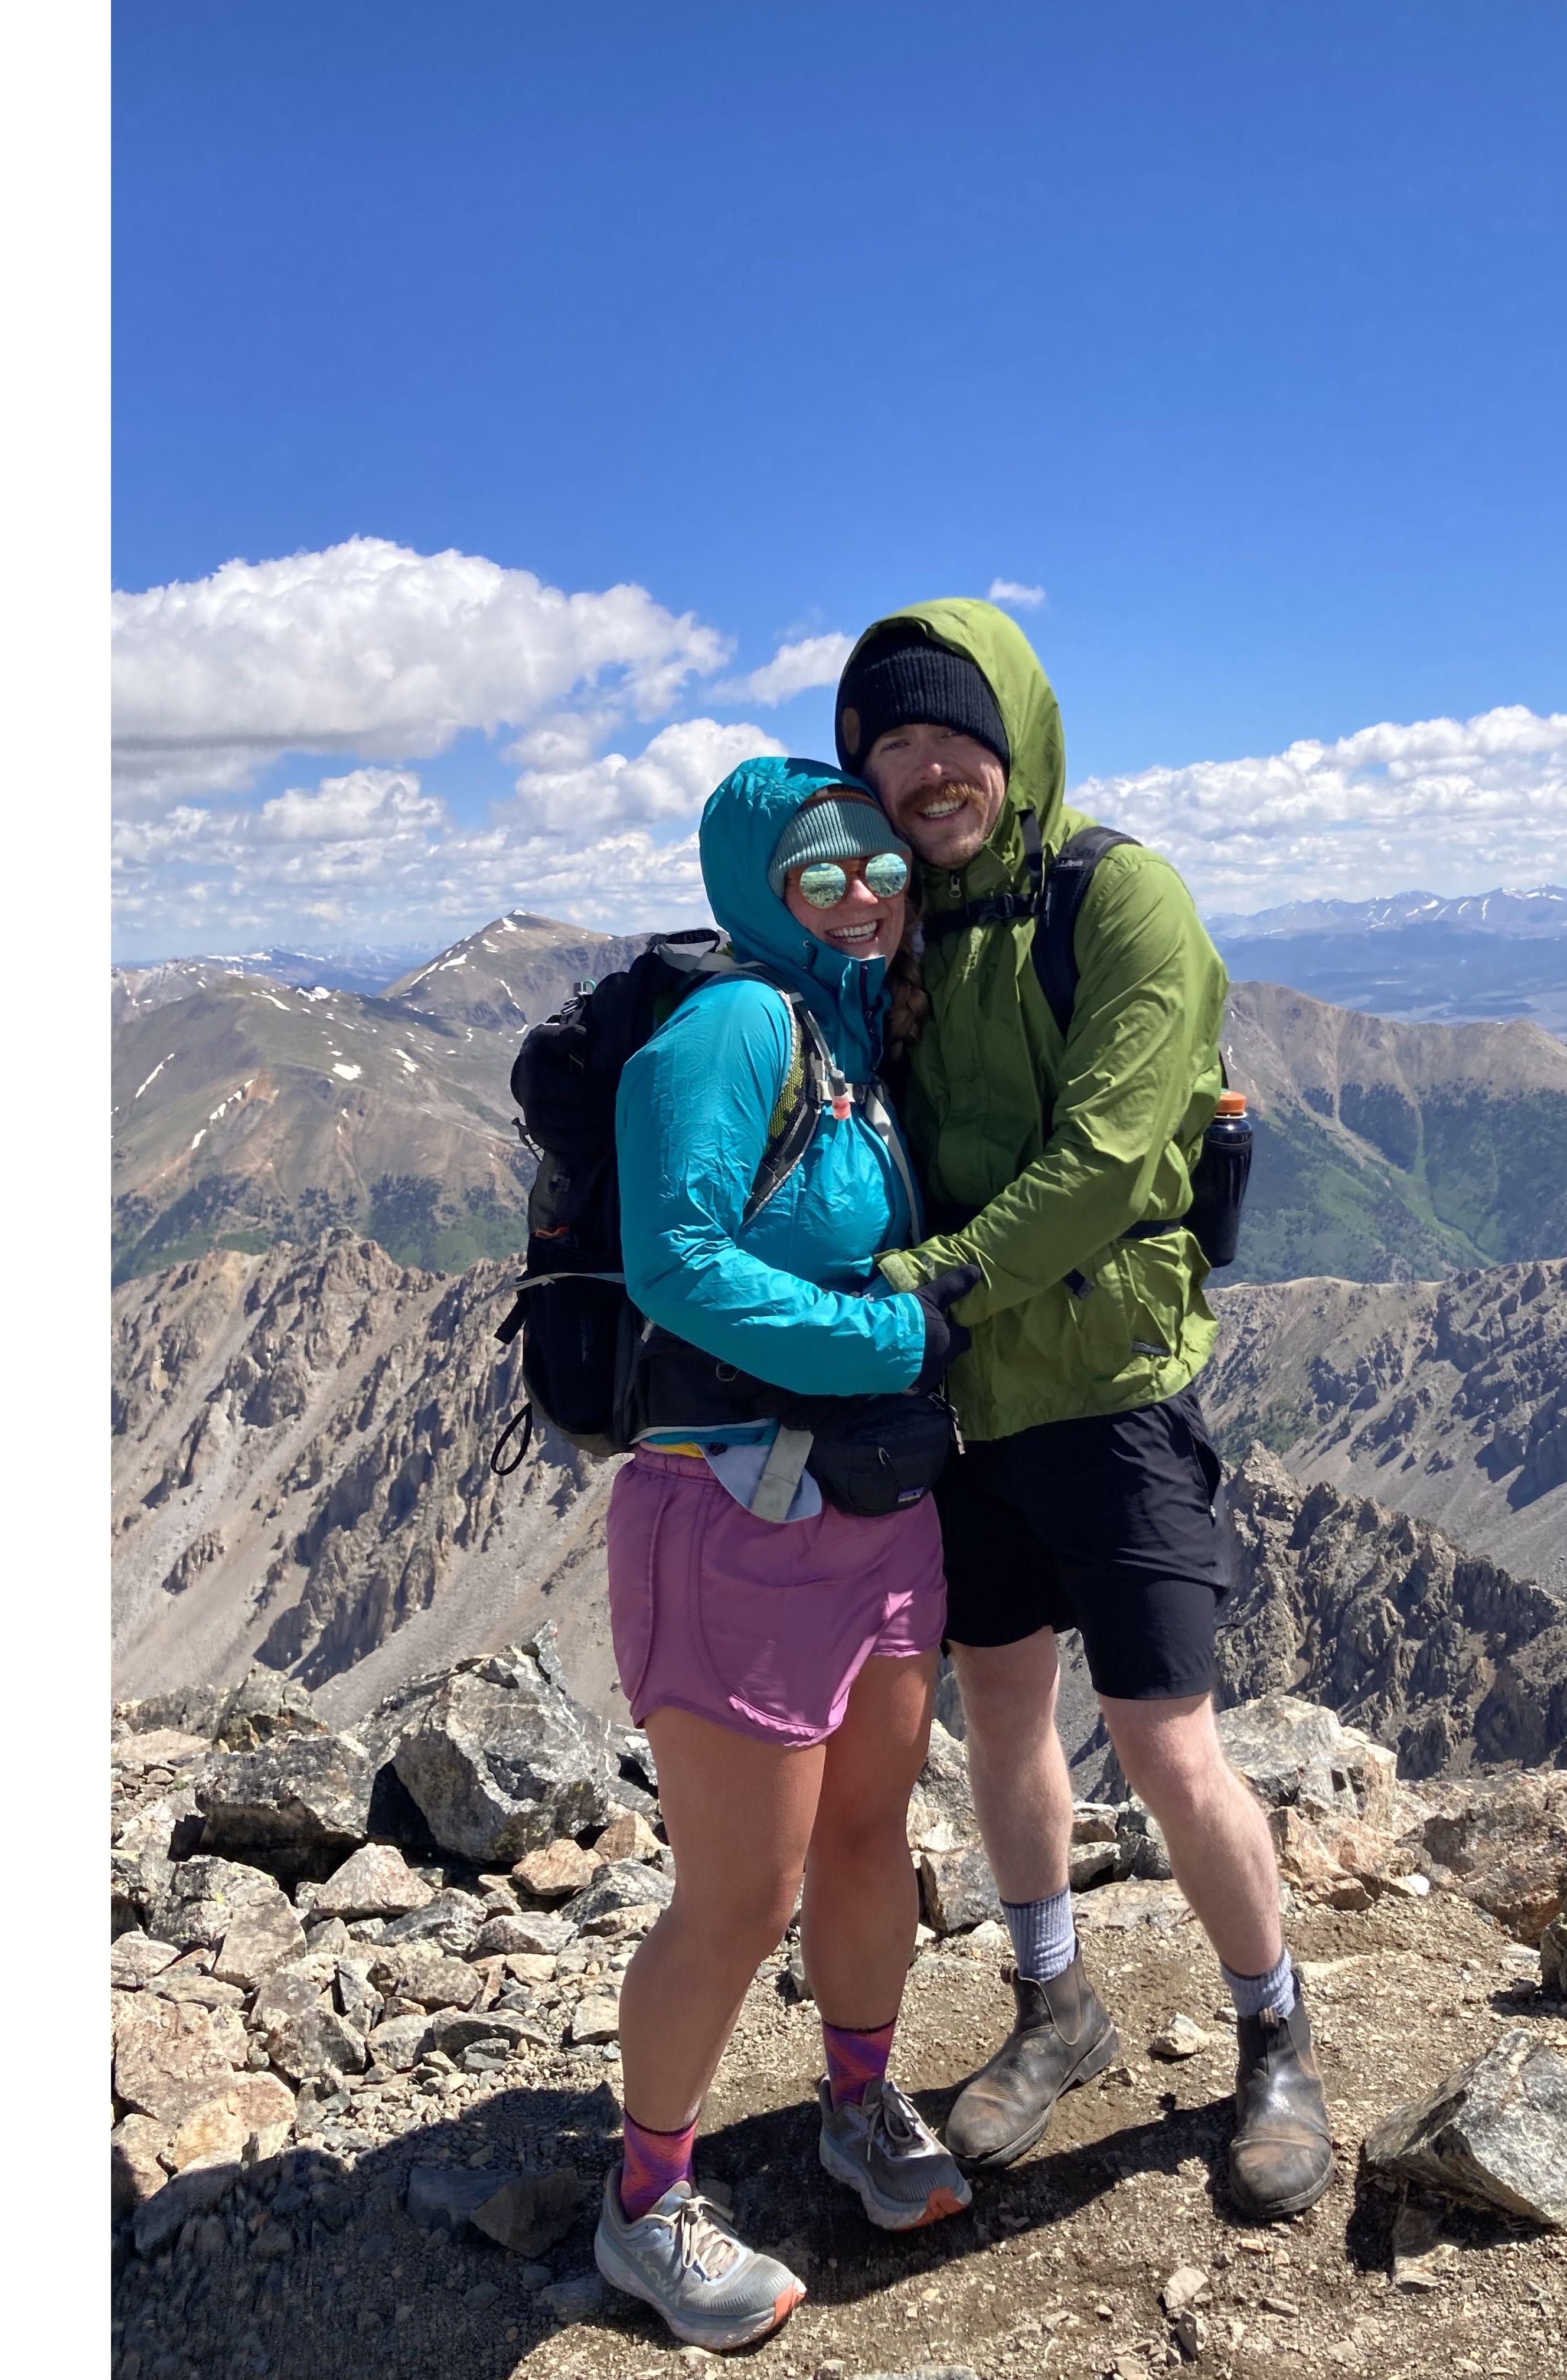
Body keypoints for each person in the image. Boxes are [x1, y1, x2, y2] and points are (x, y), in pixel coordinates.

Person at [834, 604, 1335, 2222]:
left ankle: (1275, 2034)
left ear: (1018, 740)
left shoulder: (1121, 902)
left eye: (951, 736)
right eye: (890, 745)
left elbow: (1110, 1159)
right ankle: (1059, 2006)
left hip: (1105, 1397)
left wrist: (928, 1285)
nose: (924, 770)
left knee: (1163, 1739)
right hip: (970, 1407)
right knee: (1000, 1721)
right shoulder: (895, 930)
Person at [591, 756, 976, 2352]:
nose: (866, 891)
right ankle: (645, 2207)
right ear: (762, 884)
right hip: (736, 1521)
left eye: (881, 862)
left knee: (872, 1840)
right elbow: (672, 1263)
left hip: (875, 1520)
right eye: (826, 870)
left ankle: (861, 2102)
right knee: (738, 1897)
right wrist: (884, 1336)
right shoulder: (740, 1025)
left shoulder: (847, 1029)